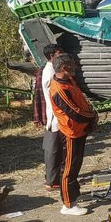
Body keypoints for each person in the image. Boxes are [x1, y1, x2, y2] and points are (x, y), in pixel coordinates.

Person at [49, 53, 97, 216]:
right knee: (69, 168)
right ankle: (68, 205)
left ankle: (74, 196)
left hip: (80, 129)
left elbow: (80, 101)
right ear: (63, 68)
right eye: (72, 66)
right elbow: (74, 112)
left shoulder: (69, 81)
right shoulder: (59, 89)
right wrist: (92, 117)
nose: (75, 68)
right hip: (71, 132)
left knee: (75, 166)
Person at [41, 44, 63, 190]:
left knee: (55, 149)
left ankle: (53, 177)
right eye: (59, 54)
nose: (61, 56)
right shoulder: (50, 73)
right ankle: (52, 181)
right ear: (52, 56)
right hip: (55, 116)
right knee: (53, 150)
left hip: (56, 115)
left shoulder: (52, 70)